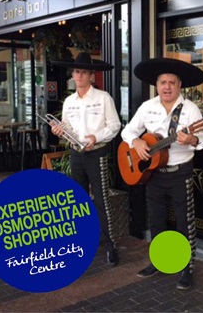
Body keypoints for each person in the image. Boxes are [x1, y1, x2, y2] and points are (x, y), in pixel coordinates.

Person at [121, 58, 203, 290]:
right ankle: (159, 261)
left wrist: (191, 139)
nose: (167, 87)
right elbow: (127, 131)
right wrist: (137, 141)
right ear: (157, 85)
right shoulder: (147, 107)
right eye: (162, 82)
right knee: (156, 220)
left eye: (171, 82)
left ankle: (186, 268)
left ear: (180, 85)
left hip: (181, 173)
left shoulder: (191, 110)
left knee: (184, 222)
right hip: (154, 174)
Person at [51, 52, 121, 266]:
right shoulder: (69, 102)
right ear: (73, 75)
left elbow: (115, 125)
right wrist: (59, 131)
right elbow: (67, 127)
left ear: (91, 75)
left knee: (101, 200)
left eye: (83, 72)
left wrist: (96, 137)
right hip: (75, 154)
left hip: (96, 153)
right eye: (76, 72)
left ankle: (110, 246)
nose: (79, 76)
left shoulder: (103, 98)